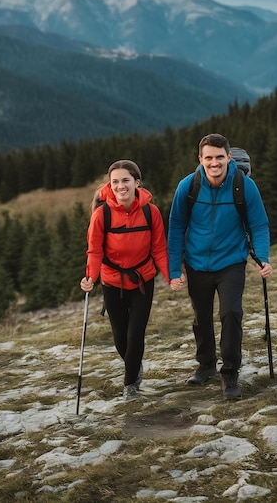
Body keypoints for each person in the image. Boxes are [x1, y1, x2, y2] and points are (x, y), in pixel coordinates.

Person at [168, 133, 272, 400]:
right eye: (209, 158)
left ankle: (230, 373)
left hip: (231, 263)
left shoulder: (244, 186)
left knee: (231, 313)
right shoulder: (188, 186)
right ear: (200, 159)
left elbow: (259, 224)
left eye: (219, 157)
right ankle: (206, 366)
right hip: (196, 263)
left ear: (228, 157)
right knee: (201, 318)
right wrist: (173, 268)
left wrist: (262, 257)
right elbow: (176, 227)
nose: (214, 163)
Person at [80, 159, 170, 401]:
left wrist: (170, 276)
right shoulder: (102, 215)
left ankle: (130, 384)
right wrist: (91, 277)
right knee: (120, 335)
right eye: (115, 181)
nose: (121, 186)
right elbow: (94, 251)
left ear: (137, 183)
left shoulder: (151, 212)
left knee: (135, 334)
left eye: (126, 180)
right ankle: (135, 365)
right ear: (110, 184)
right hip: (112, 281)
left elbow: (159, 248)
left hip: (143, 279)